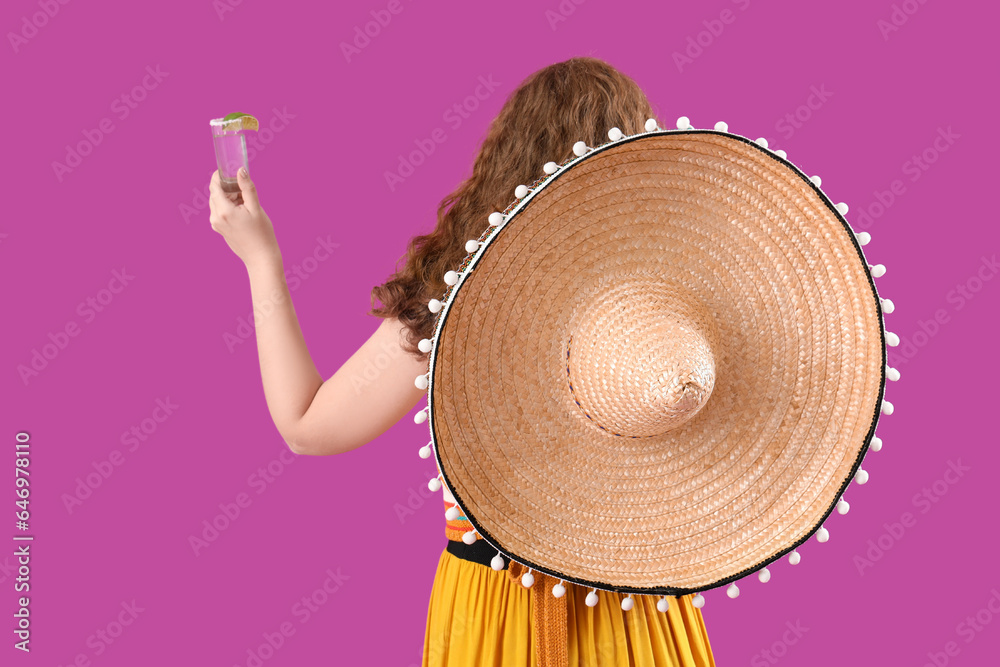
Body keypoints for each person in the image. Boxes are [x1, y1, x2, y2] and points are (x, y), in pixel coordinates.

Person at [208, 56, 716, 666]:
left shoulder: (452, 299)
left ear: (505, 162)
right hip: (642, 608)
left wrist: (260, 259)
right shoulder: (682, 298)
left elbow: (307, 426)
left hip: (494, 606)